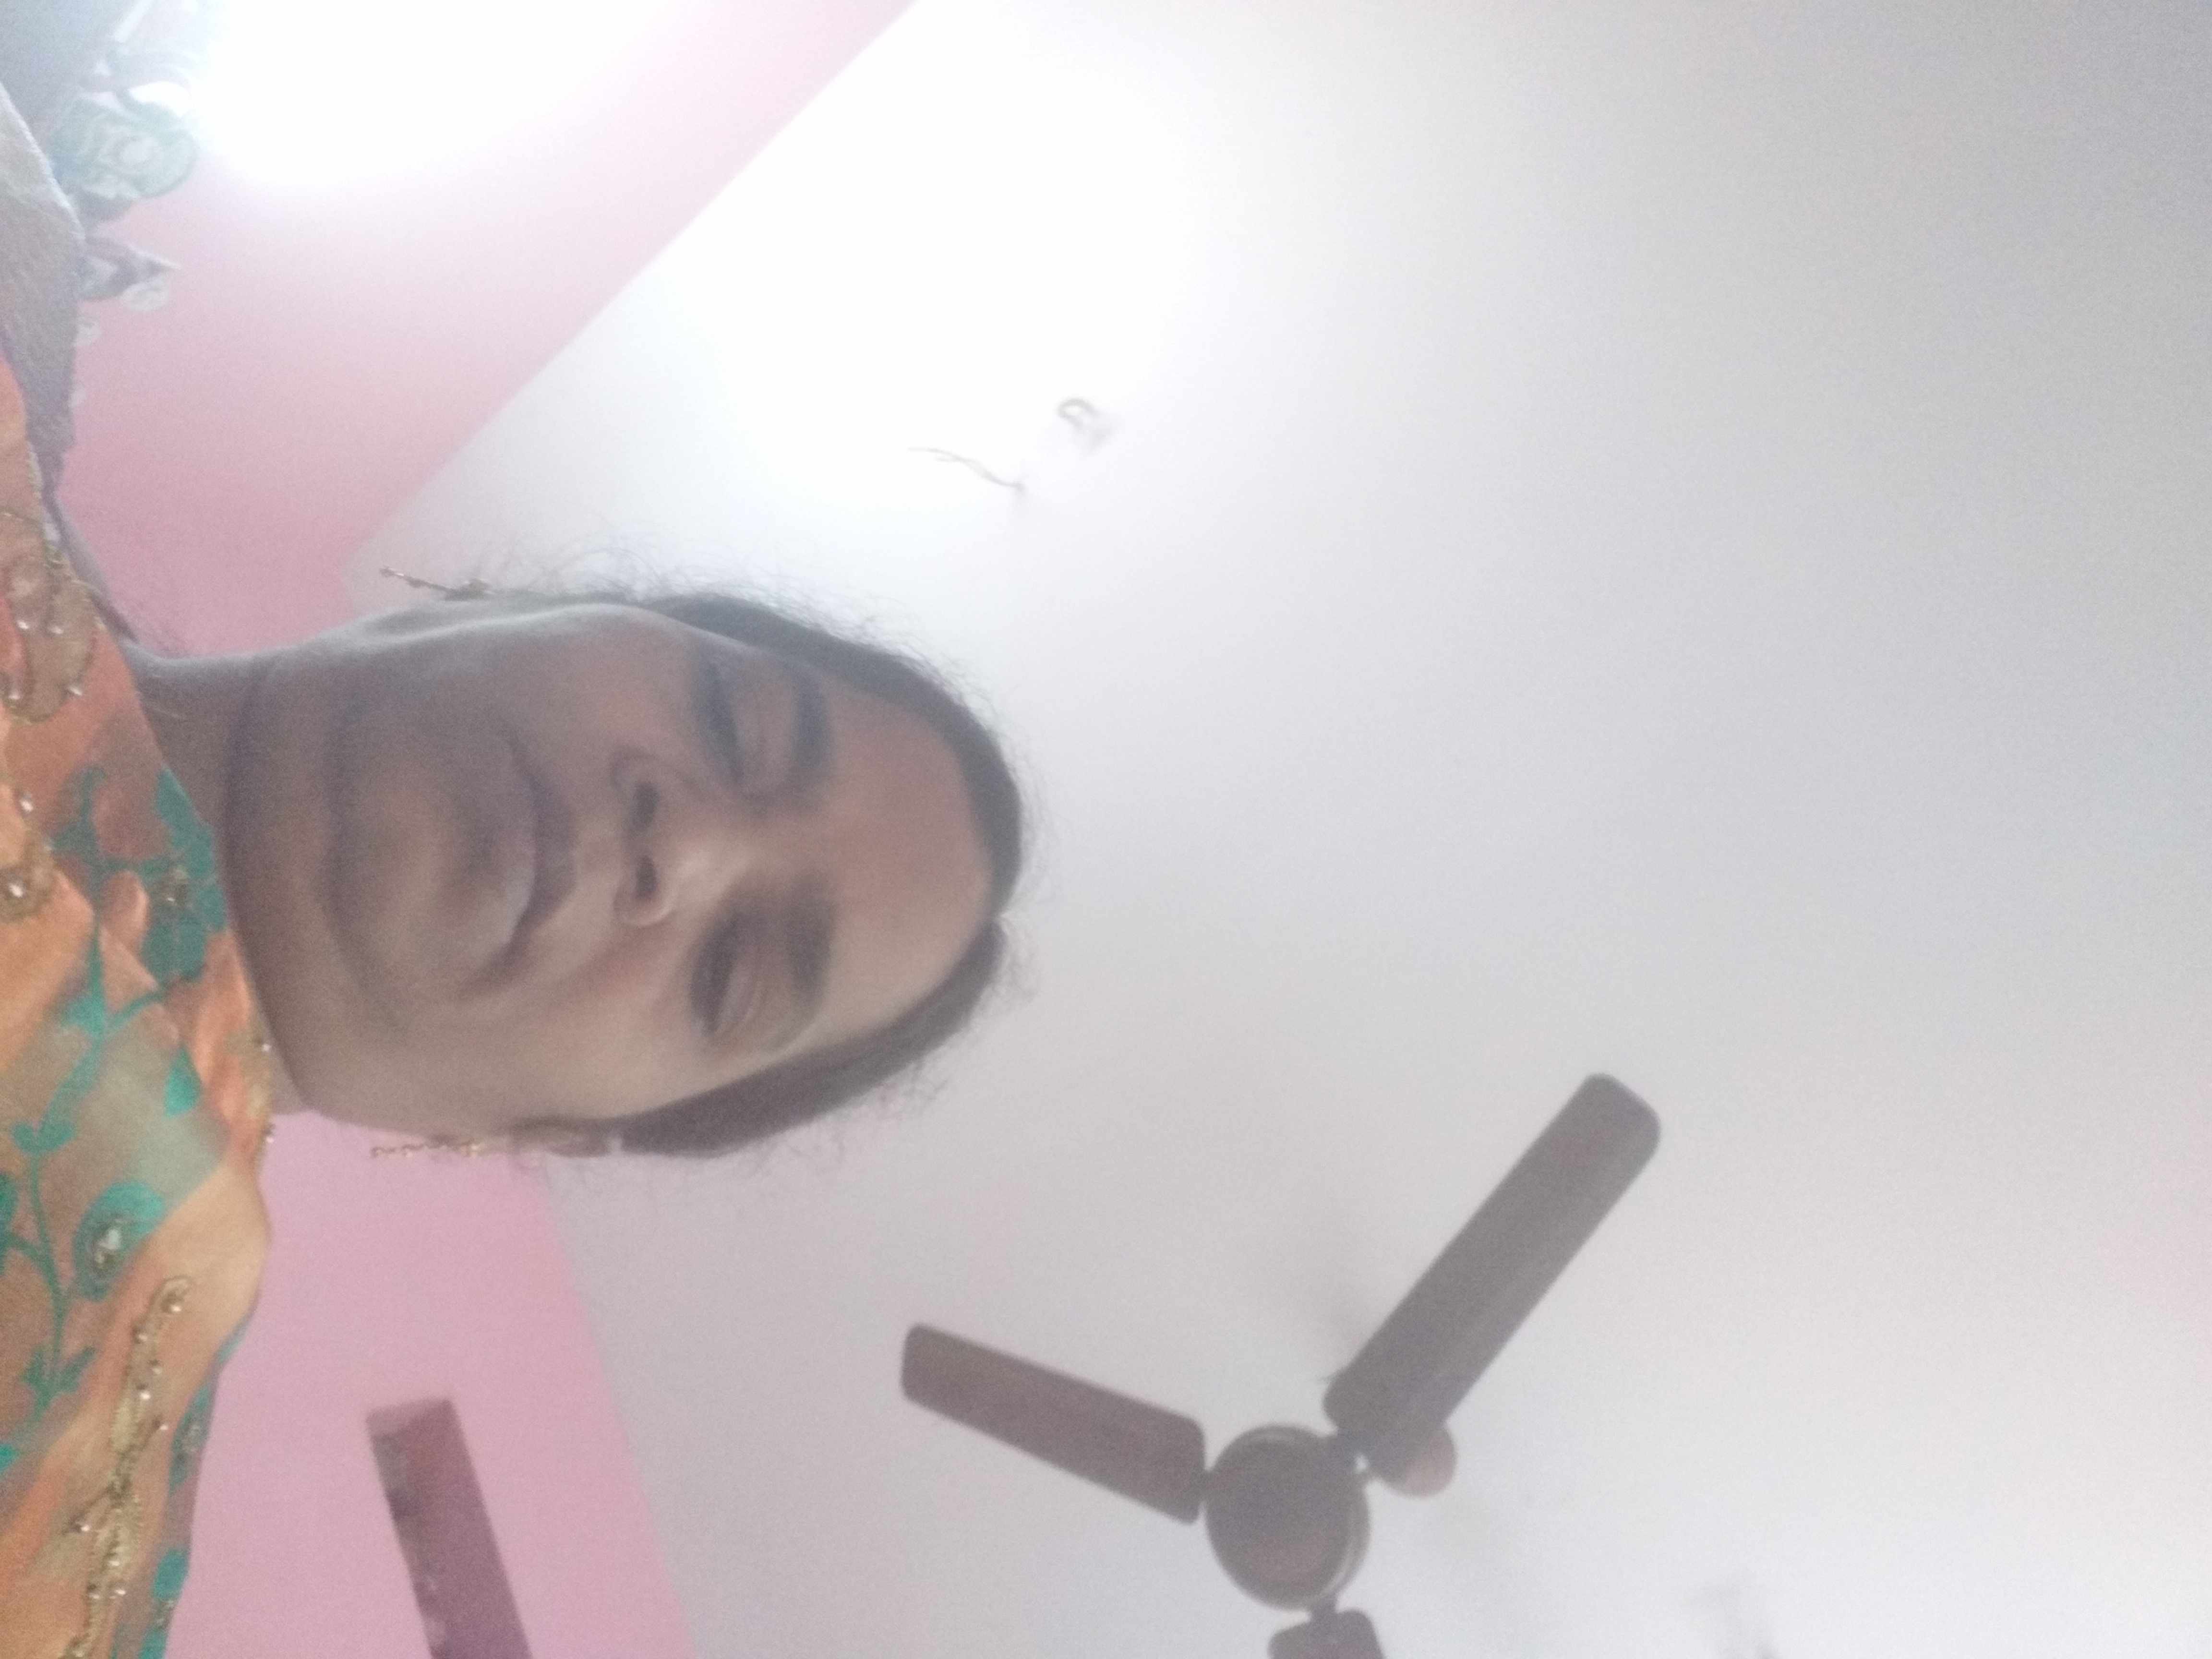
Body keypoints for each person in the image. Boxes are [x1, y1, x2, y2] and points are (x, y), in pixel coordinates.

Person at [0, 100, 1023, 1657]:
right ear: (495, 600)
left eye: (734, 972)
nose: (683, 848)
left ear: (535, 1132)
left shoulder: (72, 1513)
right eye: (733, 723)